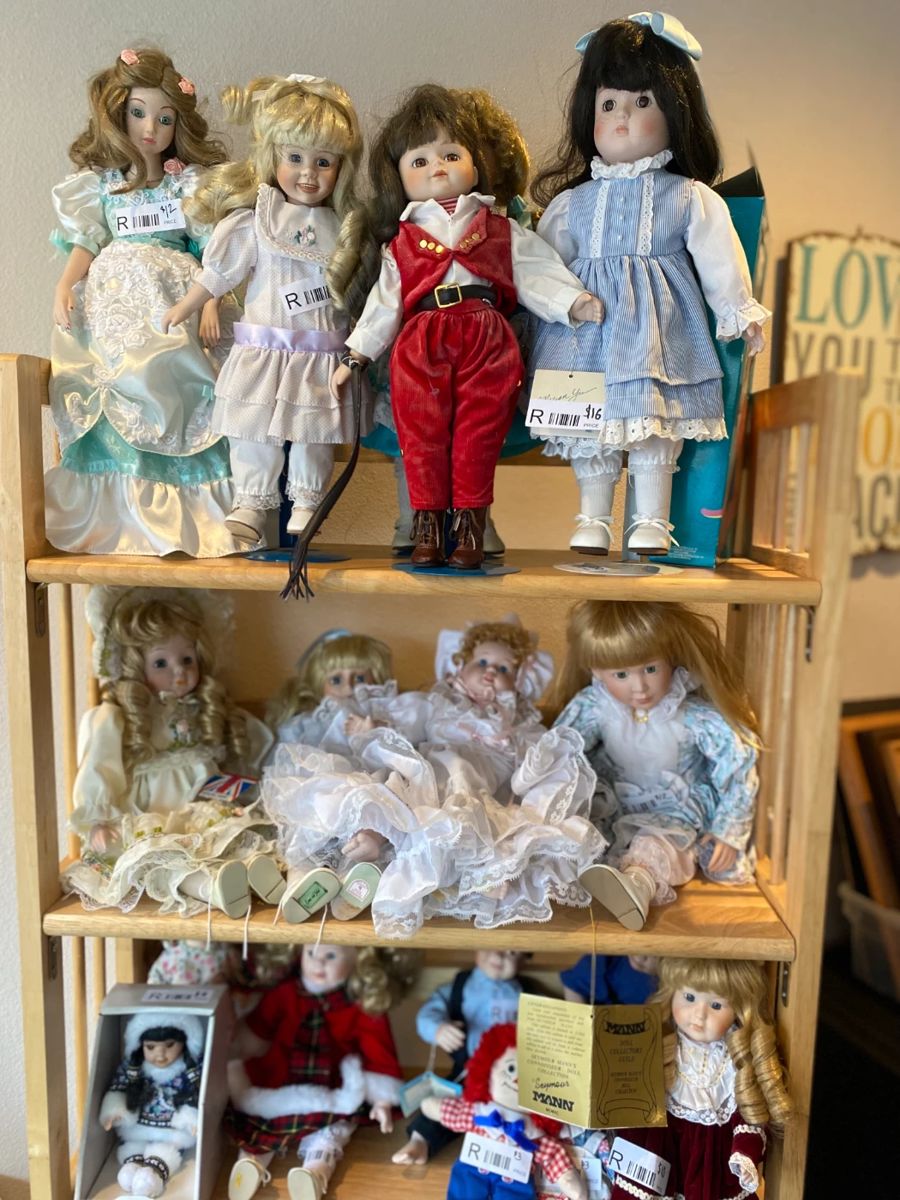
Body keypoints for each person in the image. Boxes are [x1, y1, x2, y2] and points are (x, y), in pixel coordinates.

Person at [332, 83, 602, 569]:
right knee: (421, 435)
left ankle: (470, 529)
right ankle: (427, 528)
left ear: (475, 165)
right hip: (421, 340)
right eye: (419, 161)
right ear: (397, 178)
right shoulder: (401, 243)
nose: (437, 167)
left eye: (451, 155)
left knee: (479, 434)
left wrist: (573, 301)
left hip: (486, 337)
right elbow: (383, 305)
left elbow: (536, 271)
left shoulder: (501, 228)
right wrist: (357, 354)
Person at [529, 15, 769, 554]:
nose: (622, 117)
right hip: (584, 337)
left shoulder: (687, 196)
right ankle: (592, 517)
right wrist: (551, 304)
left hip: (657, 333)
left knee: (655, 420)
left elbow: (719, 255)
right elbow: (541, 266)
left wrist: (738, 309)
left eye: (641, 102)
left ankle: (652, 520)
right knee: (588, 421)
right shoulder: (571, 204)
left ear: (675, 113)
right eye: (609, 104)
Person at [48, 47, 240, 556]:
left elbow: (212, 249)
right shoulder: (104, 187)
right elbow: (87, 242)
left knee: (181, 386)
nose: (150, 128)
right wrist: (65, 285)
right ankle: (117, 516)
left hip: (177, 298)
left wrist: (212, 303)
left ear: (179, 124)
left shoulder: (187, 184)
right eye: (138, 113)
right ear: (119, 114)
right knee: (115, 384)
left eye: (164, 118)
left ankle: (196, 515)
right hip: (113, 304)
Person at [163, 74, 369, 546]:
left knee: (313, 433)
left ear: (341, 167)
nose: (308, 174)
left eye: (323, 162)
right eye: (294, 158)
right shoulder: (257, 219)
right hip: (264, 350)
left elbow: (361, 293)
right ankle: (252, 501)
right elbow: (221, 271)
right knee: (253, 430)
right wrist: (188, 304)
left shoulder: (345, 226)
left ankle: (308, 501)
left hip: (320, 355)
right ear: (273, 156)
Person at [61, 587, 275, 919]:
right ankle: (213, 889)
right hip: (153, 814)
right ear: (135, 665)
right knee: (161, 858)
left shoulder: (204, 707)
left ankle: (261, 878)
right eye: (161, 662)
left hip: (204, 806)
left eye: (187, 659)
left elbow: (251, 748)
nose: (179, 671)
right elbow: (100, 765)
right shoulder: (120, 717)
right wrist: (99, 821)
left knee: (228, 840)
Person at [553, 601, 759, 930]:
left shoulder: (688, 714)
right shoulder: (595, 708)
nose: (640, 687)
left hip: (677, 810)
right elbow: (558, 751)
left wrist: (727, 829)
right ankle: (596, 879)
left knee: (658, 843)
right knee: (583, 839)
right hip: (614, 807)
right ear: (596, 671)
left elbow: (737, 762)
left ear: (670, 659)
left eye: (650, 669)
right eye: (621, 674)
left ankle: (638, 884)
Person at [608, 958, 791, 1200]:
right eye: (689, 997)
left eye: (716, 1005)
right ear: (672, 993)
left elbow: (747, 1114)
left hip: (713, 1164)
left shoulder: (734, 1061)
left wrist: (745, 1153)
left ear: (738, 1009)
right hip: (664, 1152)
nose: (699, 1014)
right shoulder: (659, 1046)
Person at [99, 1010, 205, 1198]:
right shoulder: (134, 1068)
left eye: (170, 1045)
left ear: (184, 1042)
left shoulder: (188, 1070)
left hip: (171, 1129)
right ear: (140, 1046)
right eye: (150, 1047)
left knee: (164, 1153)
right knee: (132, 1149)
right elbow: (119, 1086)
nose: (160, 1055)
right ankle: (132, 1165)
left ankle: (154, 1173)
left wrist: (192, 1118)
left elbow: (199, 1094)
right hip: (138, 1125)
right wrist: (114, 1110)